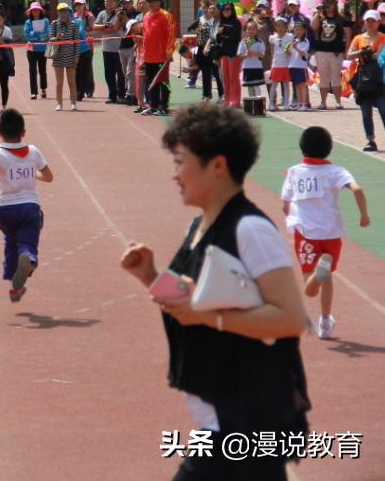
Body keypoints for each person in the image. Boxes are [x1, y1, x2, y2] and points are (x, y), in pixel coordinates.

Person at [120, 102, 311, 481]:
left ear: (218, 165)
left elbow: (291, 319)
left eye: (180, 161)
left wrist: (208, 317)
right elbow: (197, 296)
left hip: (245, 423)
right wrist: (152, 275)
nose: (174, 174)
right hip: (222, 419)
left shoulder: (250, 230)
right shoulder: (200, 225)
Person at [282, 126, 370, 341]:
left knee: (310, 289)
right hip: (331, 234)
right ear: (329, 150)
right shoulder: (336, 172)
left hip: (306, 233)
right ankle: (325, 320)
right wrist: (364, 216)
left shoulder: (294, 172)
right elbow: (357, 189)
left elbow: (286, 205)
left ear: (303, 152)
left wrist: (291, 216)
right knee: (327, 275)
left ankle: (324, 314)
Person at [0, 108, 54, 303]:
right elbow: (49, 177)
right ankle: (28, 261)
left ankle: (13, 288)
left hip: (4, 210)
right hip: (29, 207)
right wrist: (32, 172)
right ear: (24, 132)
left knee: (10, 242)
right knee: (27, 242)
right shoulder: (33, 151)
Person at [348, 10, 385, 150]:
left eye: (373, 20)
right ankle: (370, 140)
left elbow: (380, 55)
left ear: (378, 22)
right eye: (368, 20)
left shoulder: (382, 37)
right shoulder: (358, 38)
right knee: (366, 111)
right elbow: (350, 54)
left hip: (378, 77)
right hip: (363, 77)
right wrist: (363, 52)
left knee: (383, 109)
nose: (370, 23)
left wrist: (366, 53)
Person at [310, 0, 351, 110]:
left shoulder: (342, 19)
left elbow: (347, 34)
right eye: (326, 3)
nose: (328, 5)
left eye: (330, 3)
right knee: (323, 77)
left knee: (336, 76)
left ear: (335, 4)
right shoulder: (320, 17)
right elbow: (313, 26)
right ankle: (323, 102)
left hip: (336, 51)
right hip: (321, 50)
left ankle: (338, 102)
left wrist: (347, 49)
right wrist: (318, 12)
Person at [140, 0, 176, 117]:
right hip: (149, 56)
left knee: (163, 81)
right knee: (151, 81)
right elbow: (145, 37)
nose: (150, 3)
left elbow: (171, 35)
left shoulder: (166, 15)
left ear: (159, 2)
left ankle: (164, 106)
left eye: (153, 0)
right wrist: (143, 55)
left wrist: (169, 52)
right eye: (148, 1)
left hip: (161, 56)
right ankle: (152, 105)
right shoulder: (146, 17)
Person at [92, 0, 125, 103]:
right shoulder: (102, 13)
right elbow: (95, 27)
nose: (108, 3)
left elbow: (116, 27)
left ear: (115, 3)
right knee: (109, 73)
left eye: (111, 1)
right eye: (106, 1)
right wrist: (105, 27)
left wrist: (105, 29)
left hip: (118, 47)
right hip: (106, 47)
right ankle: (112, 95)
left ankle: (121, 95)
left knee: (120, 73)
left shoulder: (119, 13)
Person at [49, 3, 80, 111]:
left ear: (68, 11)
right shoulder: (54, 24)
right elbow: (50, 39)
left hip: (70, 55)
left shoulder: (73, 24)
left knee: (71, 81)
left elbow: (77, 41)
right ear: (57, 12)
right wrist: (57, 38)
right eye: (60, 10)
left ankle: (73, 102)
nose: (63, 12)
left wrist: (76, 55)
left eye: (65, 10)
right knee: (59, 82)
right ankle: (59, 103)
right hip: (58, 55)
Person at [214, 2, 243, 108]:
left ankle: (235, 101)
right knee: (225, 78)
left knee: (233, 77)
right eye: (224, 9)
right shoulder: (221, 22)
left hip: (233, 53)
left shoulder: (236, 22)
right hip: (223, 54)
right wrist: (219, 34)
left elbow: (234, 38)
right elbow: (217, 38)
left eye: (228, 9)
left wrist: (222, 35)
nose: (226, 11)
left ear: (232, 10)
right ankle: (227, 99)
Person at [195, 2, 224, 103]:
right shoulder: (212, 23)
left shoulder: (223, 23)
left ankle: (223, 96)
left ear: (219, 10)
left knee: (219, 75)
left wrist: (219, 55)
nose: (211, 10)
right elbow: (211, 37)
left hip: (222, 52)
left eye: (213, 9)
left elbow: (224, 39)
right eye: (210, 9)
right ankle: (207, 95)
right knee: (208, 73)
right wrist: (206, 47)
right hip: (212, 51)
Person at [237, 20, 268, 108]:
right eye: (249, 29)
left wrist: (253, 53)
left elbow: (262, 55)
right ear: (246, 30)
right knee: (250, 86)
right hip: (247, 67)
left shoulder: (260, 42)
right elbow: (240, 54)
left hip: (256, 67)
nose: (251, 31)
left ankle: (258, 106)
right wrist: (247, 54)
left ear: (256, 30)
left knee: (256, 85)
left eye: (253, 29)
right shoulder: (243, 42)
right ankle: (251, 106)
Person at [23, 2, 50, 100]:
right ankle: (33, 92)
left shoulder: (46, 21)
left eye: (37, 9)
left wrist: (34, 33)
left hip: (42, 48)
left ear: (40, 10)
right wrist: (38, 36)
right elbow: (26, 34)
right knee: (32, 70)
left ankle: (43, 89)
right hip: (31, 49)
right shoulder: (28, 22)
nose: (35, 11)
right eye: (33, 9)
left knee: (42, 70)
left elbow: (47, 33)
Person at [117, 0, 140, 105]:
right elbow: (116, 28)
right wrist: (118, 17)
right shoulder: (121, 14)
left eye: (126, 3)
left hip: (133, 46)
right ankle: (130, 92)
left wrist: (125, 17)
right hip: (123, 46)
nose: (124, 5)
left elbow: (133, 27)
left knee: (131, 72)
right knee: (125, 72)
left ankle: (131, 95)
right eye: (122, 3)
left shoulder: (136, 14)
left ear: (131, 2)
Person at [72, 0, 96, 101]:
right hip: (76, 46)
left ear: (84, 5)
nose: (78, 6)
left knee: (87, 69)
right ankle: (79, 90)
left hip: (88, 44)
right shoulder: (74, 16)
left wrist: (87, 34)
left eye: (80, 4)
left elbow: (95, 29)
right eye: (76, 4)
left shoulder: (89, 16)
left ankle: (89, 90)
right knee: (77, 69)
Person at [268, 17, 293, 112]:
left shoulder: (289, 36)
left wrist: (289, 52)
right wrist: (271, 64)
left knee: (286, 84)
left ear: (285, 27)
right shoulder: (272, 38)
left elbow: (291, 49)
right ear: (275, 27)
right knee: (274, 84)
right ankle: (271, 104)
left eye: (282, 26)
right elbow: (271, 51)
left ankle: (286, 104)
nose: (280, 28)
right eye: (278, 26)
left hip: (286, 64)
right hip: (276, 64)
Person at [289, 20, 312, 112]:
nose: (298, 31)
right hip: (292, 65)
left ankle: (304, 104)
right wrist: (287, 49)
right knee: (297, 85)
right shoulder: (293, 40)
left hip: (301, 66)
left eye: (300, 29)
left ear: (304, 30)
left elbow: (303, 53)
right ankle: (299, 103)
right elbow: (289, 53)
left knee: (303, 85)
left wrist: (296, 47)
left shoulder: (306, 41)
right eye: (296, 29)